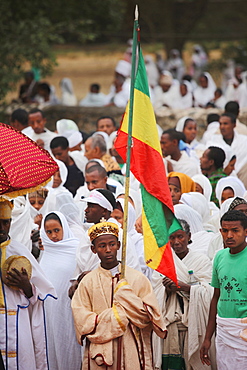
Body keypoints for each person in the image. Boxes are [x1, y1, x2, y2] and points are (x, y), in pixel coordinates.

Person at [71, 221, 167, 369]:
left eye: (112, 244)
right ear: (93, 249)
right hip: (101, 353)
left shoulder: (136, 278)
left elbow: (150, 316)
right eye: (102, 246)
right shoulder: (87, 282)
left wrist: (127, 297)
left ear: (119, 245)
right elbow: (81, 318)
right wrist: (115, 317)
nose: (108, 250)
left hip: (131, 347)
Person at [0, 198, 56, 369]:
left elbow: (42, 294)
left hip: (18, 326)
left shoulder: (19, 250)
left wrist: (26, 286)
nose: (2, 228)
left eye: (6, 223)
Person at [152, 219, 215, 370]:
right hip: (170, 325)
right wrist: (166, 290)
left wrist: (186, 287)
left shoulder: (201, 260)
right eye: (171, 238)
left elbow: (210, 292)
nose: (176, 242)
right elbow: (154, 294)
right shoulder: (163, 263)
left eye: (180, 236)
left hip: (195, 324)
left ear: (189, 236)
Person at [200, 210, 247, 369]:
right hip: (224, 329)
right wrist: (208, 338)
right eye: (225, 230)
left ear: (245, 231)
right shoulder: (219, 257)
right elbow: (216, 297)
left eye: (235, 230)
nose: (229, 235)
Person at [40, 211, 82, 370]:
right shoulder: (47, 251)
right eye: (48, 232)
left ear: (64, 227)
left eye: (57, 230)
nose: (53, 236)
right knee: (51, 344)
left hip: (69, 309)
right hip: (50, 312)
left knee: (70, 344)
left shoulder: (76, 248)